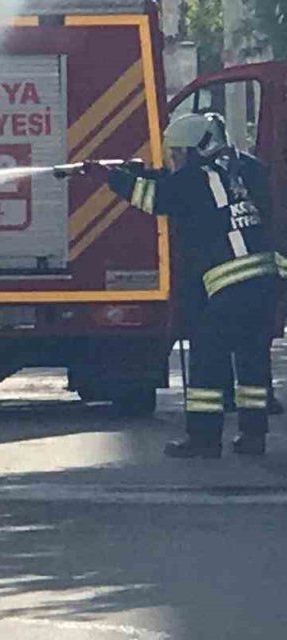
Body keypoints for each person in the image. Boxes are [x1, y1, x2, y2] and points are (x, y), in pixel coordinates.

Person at [92, 112, 280, 458]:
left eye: (177, 153)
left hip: (231, 285)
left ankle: (204, 440)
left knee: (207, 359)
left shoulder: (195, 179)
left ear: (196, 150)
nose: (174, 161)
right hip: (266, 281)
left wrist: (114, 178)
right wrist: (138, 171)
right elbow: (170, 185)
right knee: (253, 360)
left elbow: (155, 198)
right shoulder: (247, 168)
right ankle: (254, 436)